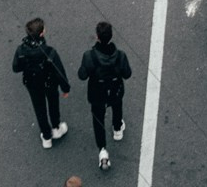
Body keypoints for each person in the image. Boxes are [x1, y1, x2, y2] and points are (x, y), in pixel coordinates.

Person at [78, 22, 132, 167]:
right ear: (111, 36)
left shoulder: (89, 56)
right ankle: (117, 128)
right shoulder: (120, 55)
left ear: (97, 37)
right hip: (115, 90)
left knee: (98, 119)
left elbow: (82, 75)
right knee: (117, 106)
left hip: (97, 93)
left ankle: (102, 150)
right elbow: (127, 74)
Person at [12, 17, 71, 151]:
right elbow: (59, 72)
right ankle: (56, 128)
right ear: (41, 33)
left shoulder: (21, 51)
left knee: (39, 109)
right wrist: (65, 88)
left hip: (32, 84)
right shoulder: (50, 52)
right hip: (49, 83)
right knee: (53, 104)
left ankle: (46, 136)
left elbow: (16, 68)